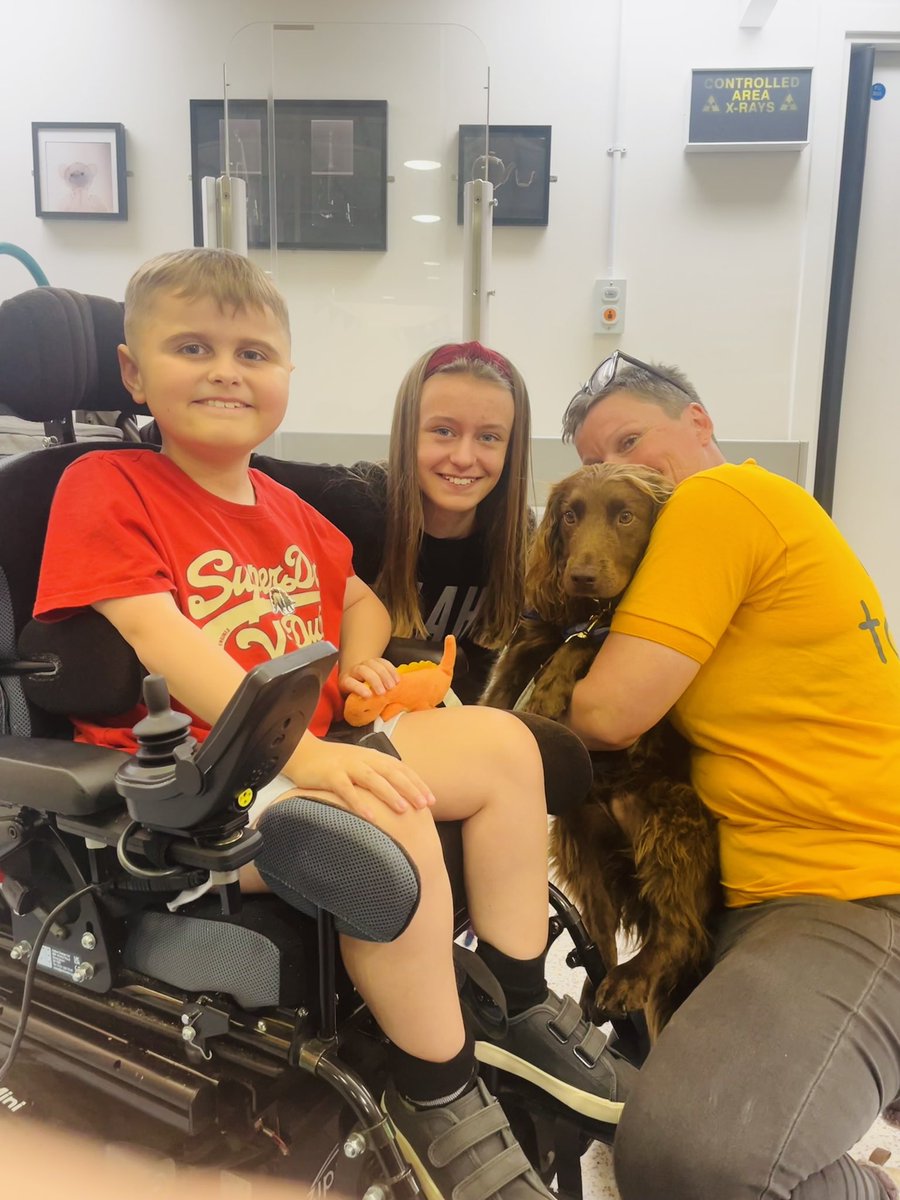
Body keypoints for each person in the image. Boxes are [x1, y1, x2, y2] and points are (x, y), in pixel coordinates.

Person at [32, 249, 634, 1200]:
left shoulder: (285, 508)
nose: (228, 370)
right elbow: (155, 634)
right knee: (388, 813)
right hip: (208, 784)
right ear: (134, 373)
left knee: (506, 746)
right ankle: (439, 1092)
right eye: (195, 348)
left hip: (319, 750)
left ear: (284, 378)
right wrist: (305, 754)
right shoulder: (106, 487)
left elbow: (356, 597)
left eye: (253, 353)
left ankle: (518, 1011)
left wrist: (362, 661)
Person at [561, 349, 900, 1200]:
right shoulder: (765, 517)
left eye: (633, 440)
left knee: (693, 1163)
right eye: (597, 465)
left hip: (854, 890)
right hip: (760, 891)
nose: (623, 475)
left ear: (701, 424)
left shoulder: (721, 497)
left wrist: (484, 733)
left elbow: (607, 714)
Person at [255, 339, 532, 703]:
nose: (464, 458)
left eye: (489, 437)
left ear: (511, 449)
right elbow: (222, 461)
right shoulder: (351, 501)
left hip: (456, 725)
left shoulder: (518, 537)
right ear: (407, 432)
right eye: (443, 431)